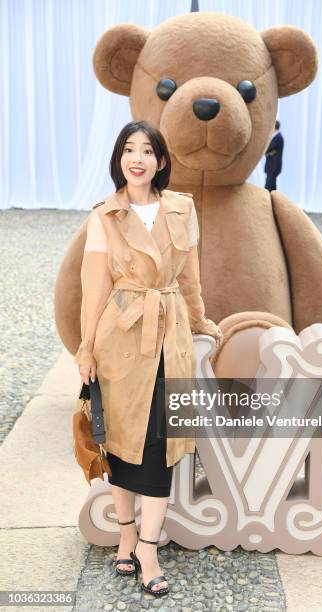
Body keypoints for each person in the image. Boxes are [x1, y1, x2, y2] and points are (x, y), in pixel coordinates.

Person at [74, 120, 223, 597]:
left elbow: (192, 275)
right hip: (119, 337)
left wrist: (199, 321)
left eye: (147, 150)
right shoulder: (104, 216)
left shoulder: (182, 208)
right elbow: (94, 289)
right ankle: (125, 532)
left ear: (161, 161)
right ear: (119, 159)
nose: (136, 158)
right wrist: (84, 346)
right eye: (128, 150)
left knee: (163, 441)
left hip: (171, 333)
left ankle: (149, 546)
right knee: (118, 438)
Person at [264, 120, 284, 191]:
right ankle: (273, 201)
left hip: (273, 166)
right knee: (272, 187)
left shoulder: (278, 137)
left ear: (274, 127)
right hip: (271, 166)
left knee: (268, 186)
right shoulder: (275, 137)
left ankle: (265, 200)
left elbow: (269, 148)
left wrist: (263, 150)